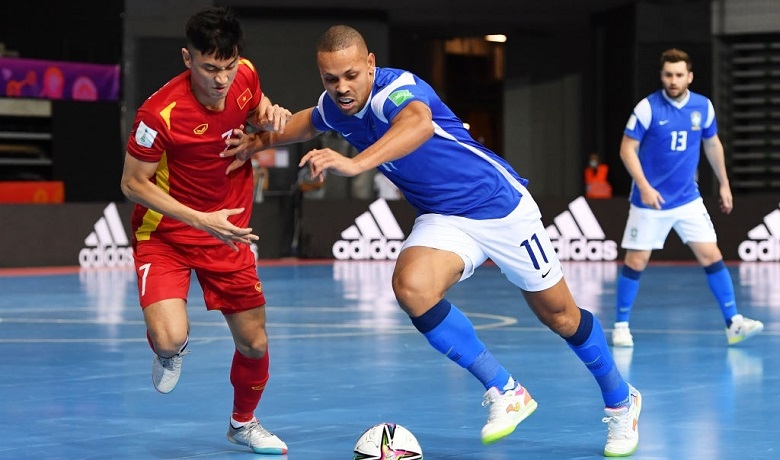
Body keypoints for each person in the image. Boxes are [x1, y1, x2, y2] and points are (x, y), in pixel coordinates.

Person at [225, 25, 641, 457]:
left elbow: (418, 125)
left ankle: (621, 399)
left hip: (498, 205)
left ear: (370, 65)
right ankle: (505, 389)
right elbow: (304, 123)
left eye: (350, 75)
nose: (342, 87)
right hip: (444, 217)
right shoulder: (336, 106)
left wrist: (354, 164)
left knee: (561, 316)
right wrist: (257, 142)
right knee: (412, 287)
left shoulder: (397, 90)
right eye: (331, 79)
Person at [119, 7, 290, 455]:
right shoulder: (157, 114)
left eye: (228, 67)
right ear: (186, 58)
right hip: (166, 236)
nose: (221, 79)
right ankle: (167, 350)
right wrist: (198, 219)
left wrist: (263, 127)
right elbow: (132, 184)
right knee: (170, 336)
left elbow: (255, 112)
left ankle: (243, 423)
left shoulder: (246, 77)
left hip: (228, 233)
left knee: (254, 342)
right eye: (210, 68)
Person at [612, 48, 764, 348]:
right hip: (650, 200)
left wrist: (724, 183)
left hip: (688, 199)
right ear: (662, 76)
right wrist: (643, 185)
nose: (673, 80)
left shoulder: (703, 107)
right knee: (636, 260)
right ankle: (620, 325)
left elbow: (712, 144)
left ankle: (733, 323)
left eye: (679, 75)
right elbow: (626, 149)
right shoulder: (647, 108)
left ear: (689, 76)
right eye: (668, 74)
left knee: (712, 255)